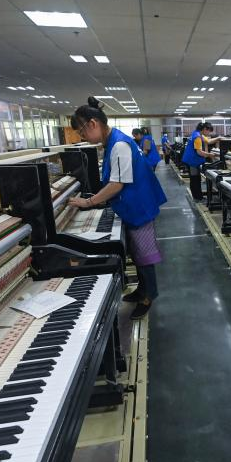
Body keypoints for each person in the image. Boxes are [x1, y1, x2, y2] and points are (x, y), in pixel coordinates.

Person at [68, 97, 167, 319]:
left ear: (93, 124)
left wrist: (89, 202)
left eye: (82, 132)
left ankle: (148, 296)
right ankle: (141, 290)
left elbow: (117, 184)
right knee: (136, 253)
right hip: (133, 205)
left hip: (139, 207)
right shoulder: (113, 142)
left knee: (144, 255)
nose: (83, 138)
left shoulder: (119, 144)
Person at [181, 122, 220, 200]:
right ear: (205, 129)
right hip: (192, 161)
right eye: (209, 131)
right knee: (195, 179)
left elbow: (208, 141)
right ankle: (197, 197)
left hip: (191, 160)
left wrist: (218, 138)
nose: (209, 133)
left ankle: (198, 196)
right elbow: (199, 152)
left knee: (196, 178)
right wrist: (209, 155)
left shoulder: (198, 134)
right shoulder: (198, 137)